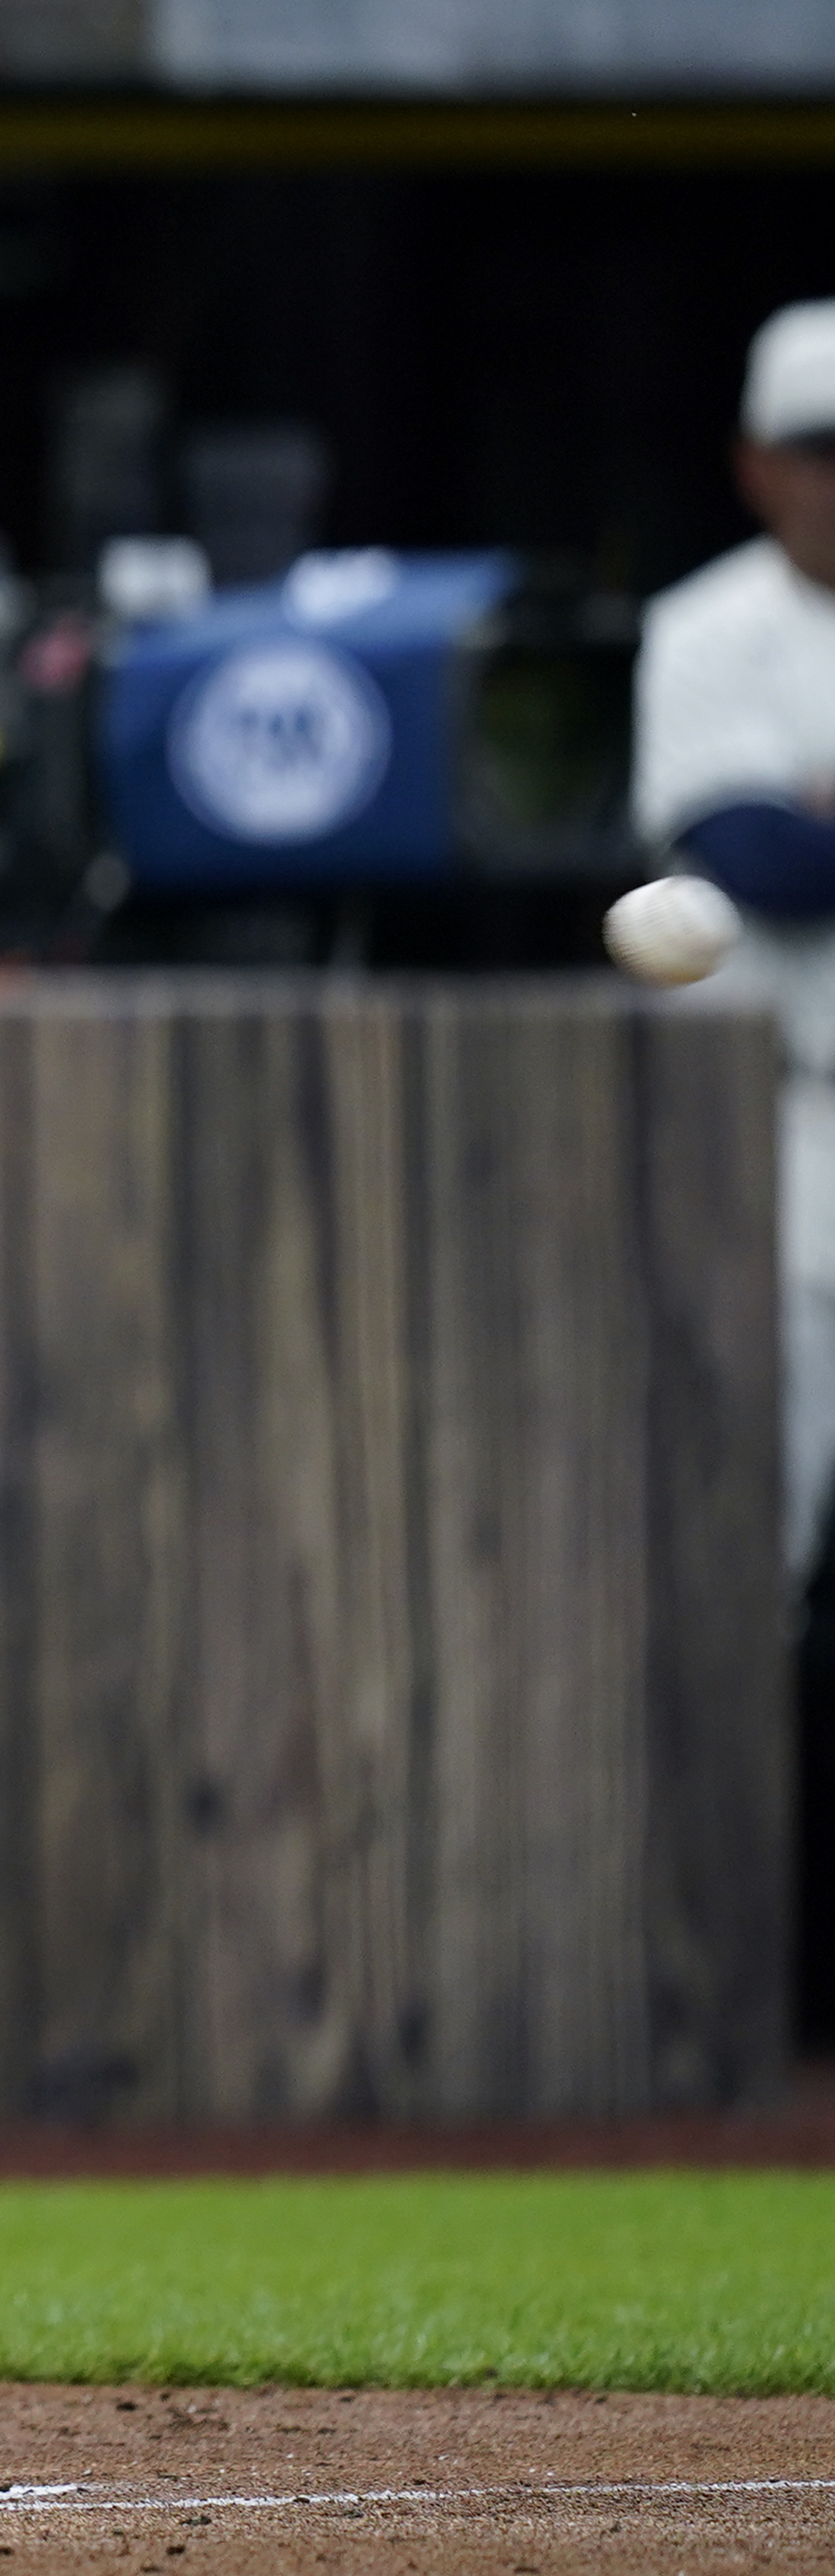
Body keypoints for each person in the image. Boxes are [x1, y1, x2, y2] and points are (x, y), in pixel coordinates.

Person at [638, 296, 835, 2032]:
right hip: (775, 1115)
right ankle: (747, 1970)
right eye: (818, 450)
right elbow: (748, 852)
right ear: (760, 461)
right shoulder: (707, 629)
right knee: (761, 1547)